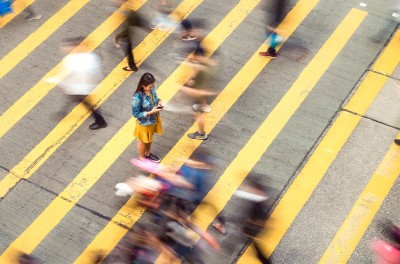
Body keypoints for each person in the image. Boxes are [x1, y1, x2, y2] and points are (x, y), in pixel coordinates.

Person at [46, 37, 108, 130]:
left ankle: (101, 121)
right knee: (75, 98)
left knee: (85, 102)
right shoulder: (81, 57)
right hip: (78, 87)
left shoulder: (82, 59)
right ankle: (63, 111)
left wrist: (56, 80)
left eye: (67, 47)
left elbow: (89, 74)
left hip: (82, 88)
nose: (64, 49)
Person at [180, 42, 218, 140]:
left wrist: (188, 85)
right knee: (200, 102)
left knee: (198, 116)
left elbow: (197, 70)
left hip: (200, 89)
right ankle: (204, 106)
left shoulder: (200, 65)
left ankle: (201, 134)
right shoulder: (208, 62)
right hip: (203, 87)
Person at [132, 72, 163, 162]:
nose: (151, 88)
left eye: (152, 86)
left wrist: (159, 101)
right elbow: (136, 114)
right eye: (149, 87)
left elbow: (155, 98)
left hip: (153, 119)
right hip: (144, 123)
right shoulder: (137, 98)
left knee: (149, 138)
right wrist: (150, 112)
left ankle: (147, 154)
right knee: (143, 140)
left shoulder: (151, 90)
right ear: (143, 85)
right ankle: (142, 158)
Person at [113, 0, 145, 71]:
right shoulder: (128, 10)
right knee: (128, 50)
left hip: (127, 34)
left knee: (128, 50)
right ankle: (132, 66)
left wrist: (117, 38)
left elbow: (126, 29)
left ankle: (132, 67)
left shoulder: (127, 12)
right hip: (129, 30)